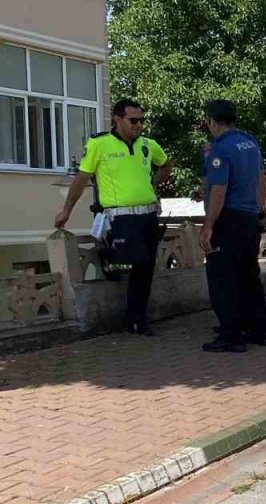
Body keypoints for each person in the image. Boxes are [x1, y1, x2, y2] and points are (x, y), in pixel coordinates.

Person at [55, 99, 172, 336]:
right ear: (118, 119)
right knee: (136, 261)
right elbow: (81, 178)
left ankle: (137, 320)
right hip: (121, 218)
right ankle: (109, 258)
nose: (139, 125)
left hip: (148, 215)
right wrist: (66, 210)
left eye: (141, 120)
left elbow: (166, 165)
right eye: (133, 120)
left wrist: (151, 184)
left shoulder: (148, 144)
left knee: (146, 267)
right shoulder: (99, 144)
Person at [200, 99, 266, 353]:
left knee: (223, 278)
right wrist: (261, 211)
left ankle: (231, 335)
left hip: (228, 220)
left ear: (212, 121)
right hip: (250, 218)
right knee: (249, 275)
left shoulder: (220, 148)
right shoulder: (250, 143)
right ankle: (260, 330)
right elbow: (261, 180)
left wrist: (208, 225)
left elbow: (219, 190)